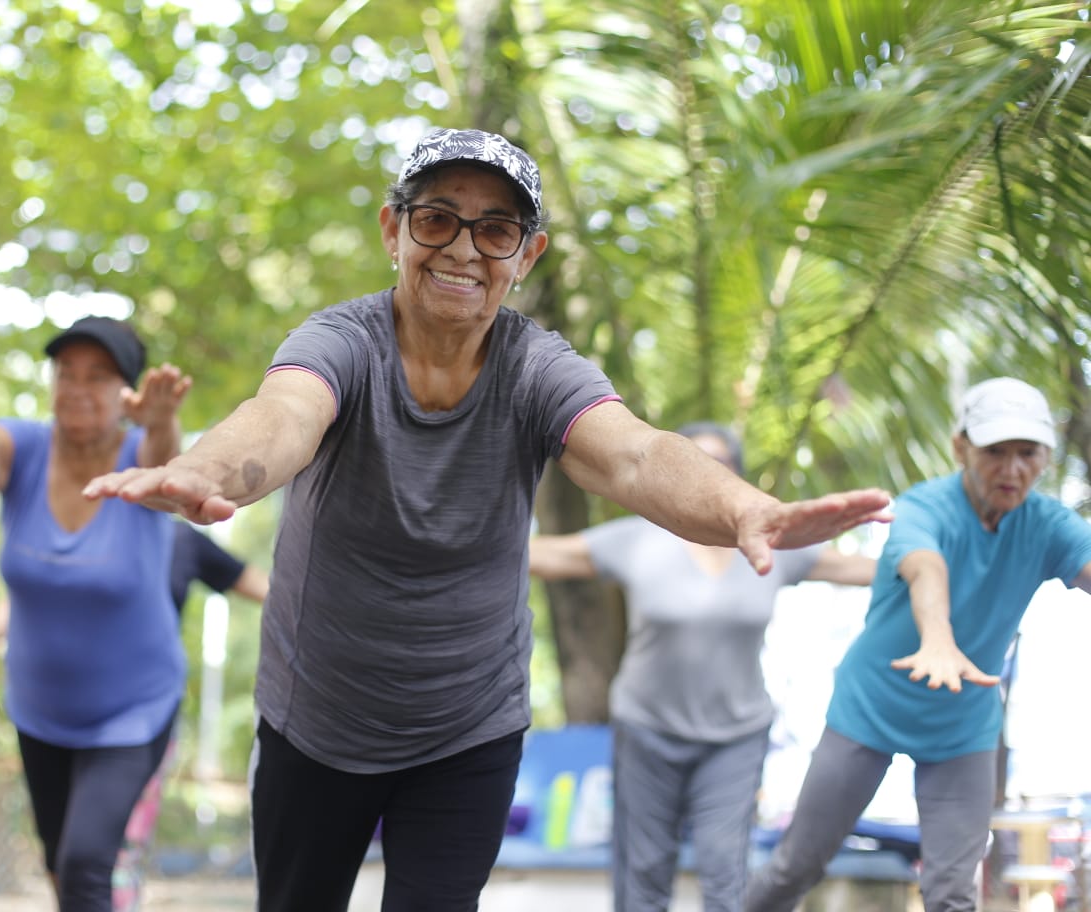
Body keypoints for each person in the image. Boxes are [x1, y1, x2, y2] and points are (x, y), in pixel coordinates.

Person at [81, 126, 891, 912]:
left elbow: (634, 455)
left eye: (496, 230)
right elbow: (285, 415)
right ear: (393, 230)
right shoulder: (341, 341)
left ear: (526, 253)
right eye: (437, 219)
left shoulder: (537, 368)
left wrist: (744, 507)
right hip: (317, 720)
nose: (464, 250)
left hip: (467, 730)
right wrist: (203, 470)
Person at [0, 316, 192, 912]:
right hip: (41, 711)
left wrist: (163, 419)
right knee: (58, 863)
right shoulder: (25, 450)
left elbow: (163, 466)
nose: (75, 386)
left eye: (97, 376)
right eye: (65, 373)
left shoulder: (139, 461)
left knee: (85, 865)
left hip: (131, 712)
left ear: (126, 393)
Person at [744, 377, 1091, 912]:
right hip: (870, 709)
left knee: (952, 894)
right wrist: (938, 639)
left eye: (1029, 453)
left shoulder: (1049, 525)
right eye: (996, 452)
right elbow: (925, 569)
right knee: (796, 867)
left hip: (962, 726)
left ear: (1046, 456)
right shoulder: (924, 507)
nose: (1014, 469)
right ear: (961, 447)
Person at [528, 421, 876, 912]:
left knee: (724, 869)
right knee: (643, 871)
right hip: (647, 730)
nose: (709, 472)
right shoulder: (638, 538)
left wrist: (936, 557)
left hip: (735, 737)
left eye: (722, 463)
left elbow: (862, 569)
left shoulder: (772, 545)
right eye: (696, 461)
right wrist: (447, 547)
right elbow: (548, 554)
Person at [0, 523, 270, 912]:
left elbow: (256, 583)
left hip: (138, 723)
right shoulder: (76, 533)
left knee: (100, 859)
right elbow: (25, 597)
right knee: (62, 857)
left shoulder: (179, 540)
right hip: (55, 717)